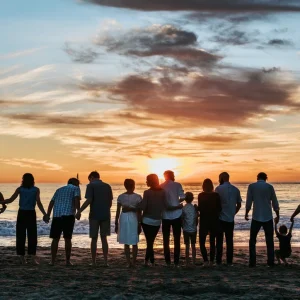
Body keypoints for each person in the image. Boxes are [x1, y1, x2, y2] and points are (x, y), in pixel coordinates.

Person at [0, 173, 47, 264]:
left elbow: (10, 200)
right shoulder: (36, 189)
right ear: (33, 180)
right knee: (32, 235)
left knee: (20, 235)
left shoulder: (20, 189)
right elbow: (39, 203)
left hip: (22, 213)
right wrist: (45, 214)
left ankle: (21, 257)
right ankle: (31, 257)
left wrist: (1, 202)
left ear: (23, 180)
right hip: (31, 213)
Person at [76, 171, 113, 267]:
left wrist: (79, 211)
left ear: (91, 177)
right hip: (105, 214)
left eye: (89, 180)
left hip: (94, 214)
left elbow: (89, 200)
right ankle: (105, 262)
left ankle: (93, 262)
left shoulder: (91, 186)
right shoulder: (107, 186)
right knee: (104, 238)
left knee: (94, 238)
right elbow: (110, 203)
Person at [245, 172, 280, 267]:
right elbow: (275, 202)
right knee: (269, 241)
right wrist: (277, 214)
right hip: (268, 216)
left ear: (257, 178)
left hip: (256, 216)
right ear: (266, 178)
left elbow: (249, 201)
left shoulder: (252, 186)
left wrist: (246, 212)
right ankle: (270, 262)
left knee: (252, 240)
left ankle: (252, 262)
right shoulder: (270, 187)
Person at [45, 178, 81, 266]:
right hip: (68, 215)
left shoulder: (59, 190)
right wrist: (78, 211)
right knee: (67, 239)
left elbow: (51, 202)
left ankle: (52, 261)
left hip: (57, 216)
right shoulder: (76, 188)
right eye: (78, 183)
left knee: (55, 239)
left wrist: (48, 214)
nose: (79, 185)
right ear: (74, 183)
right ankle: (67, 261)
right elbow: (76, 200)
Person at [140, 174, 167, 266]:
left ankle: (149, 261)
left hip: (146, 220)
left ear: (149, 181)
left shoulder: (147, 192)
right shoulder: (163, 192)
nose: (146, 182)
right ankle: (149, 261)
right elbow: (164, 206)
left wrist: (135, 205)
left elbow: (144, 207)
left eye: (147, 180)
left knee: (149, 241)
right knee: (150, 241)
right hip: (157, 220)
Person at [215, 172, 242, 266]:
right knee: (229, 241)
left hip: (221, 218)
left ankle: (218, 261)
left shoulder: (218, 189)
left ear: (222, 178)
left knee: (219, 241)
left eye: (219, 178)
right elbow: (239, 204)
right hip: (230, 218)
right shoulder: (236, 189)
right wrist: (233, 213)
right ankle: (229, 261)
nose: (218, 180)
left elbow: (216, 204)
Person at [115, 179, 142, 268]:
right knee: (134, 241)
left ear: (125, 186)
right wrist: (140, 223)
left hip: (124, 218)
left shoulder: (120, 197)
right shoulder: (138, 197)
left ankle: (128, 262)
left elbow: (118, 211)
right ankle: (133, 262)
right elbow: (139, 211)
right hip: (134, 218)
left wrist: (116, 223)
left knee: (126, 242)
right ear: (134, 186)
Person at [161, 170, 185, 267]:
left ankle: (167, 262)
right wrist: (177, 202)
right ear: (172, 176)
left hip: (165, 216)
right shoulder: (177, 185)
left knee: (165, 239)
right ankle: (176, 262)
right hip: (177, 215)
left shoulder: (161, 186)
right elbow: (183, 197)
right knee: (177, 239)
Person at [198, 178, 221, 266]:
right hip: (214, 220)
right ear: (212, 186)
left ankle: (205, 261)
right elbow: (219, 208)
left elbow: (200, 208)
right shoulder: (216, 195)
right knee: (212, 242)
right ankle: (211, 261)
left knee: (202, 242)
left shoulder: (201, 195)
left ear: (203, 186)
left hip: (204, 220)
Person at [182, 192, 198, 267]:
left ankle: (187, 263)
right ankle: (194, 262)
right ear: (192, 199)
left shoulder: (183, 208)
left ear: (185, 199)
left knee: (187, 246)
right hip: (193, 229)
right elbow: (196, 217)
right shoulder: (194, 208)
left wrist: (183, 226)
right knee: (193, 246)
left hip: (186, 229)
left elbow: (182, 219)